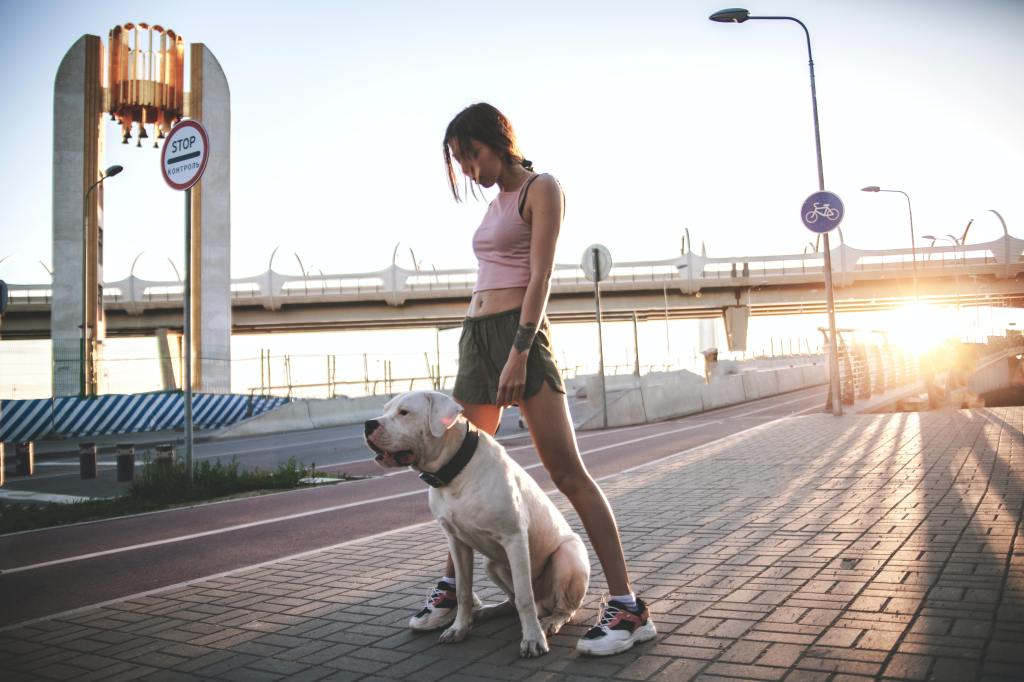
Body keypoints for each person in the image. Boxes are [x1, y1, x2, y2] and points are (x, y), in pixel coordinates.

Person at [409, 102, 656, 657]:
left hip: (518, 337)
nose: (467, 170)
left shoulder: (540, 188)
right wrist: (482, 344)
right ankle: (453, 589)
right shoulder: (495, 202)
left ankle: (628, 606)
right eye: (459, 161)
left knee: (567, 471)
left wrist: (519, 351)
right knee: (454, 465)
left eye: (470, 155)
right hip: (477, 339)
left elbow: (540, 277)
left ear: (497, 140)